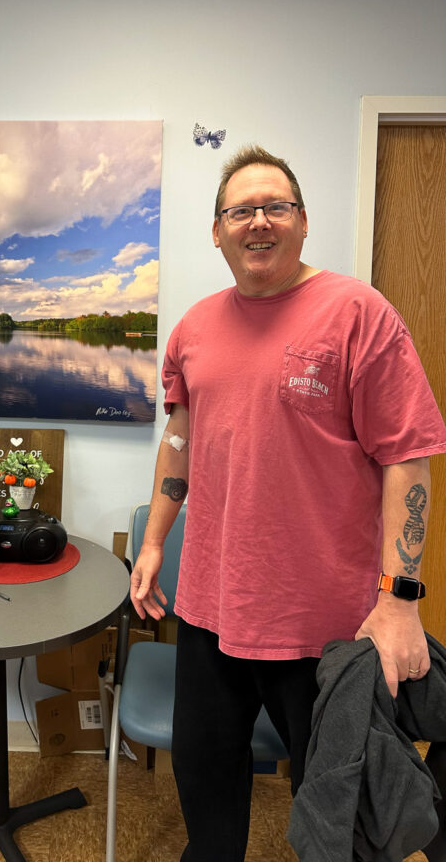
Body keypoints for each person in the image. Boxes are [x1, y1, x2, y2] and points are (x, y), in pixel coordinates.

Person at [130, 145, 446, 862]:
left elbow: (408, 455)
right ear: (217, 231)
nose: (259, 222)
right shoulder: (194, 328)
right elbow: (179, 441)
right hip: (209, 607)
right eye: (241, 210)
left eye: (276, 206)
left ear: (303, 222)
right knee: (207, 803)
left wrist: (400, 600)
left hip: (324, 625)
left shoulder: (358, 313)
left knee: (337, 818)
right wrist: (153, 544)